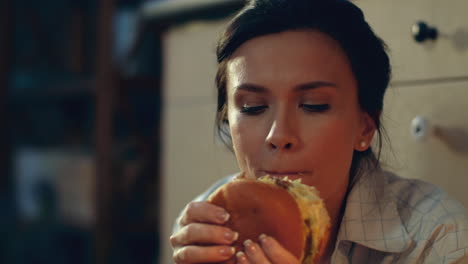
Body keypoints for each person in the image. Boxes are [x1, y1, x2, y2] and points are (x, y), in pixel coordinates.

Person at [169, 0, 468, 263]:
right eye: (253, 107)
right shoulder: (212, 221)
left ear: (364, 126)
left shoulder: (439, 237)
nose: (279, 135)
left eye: (313, 105)